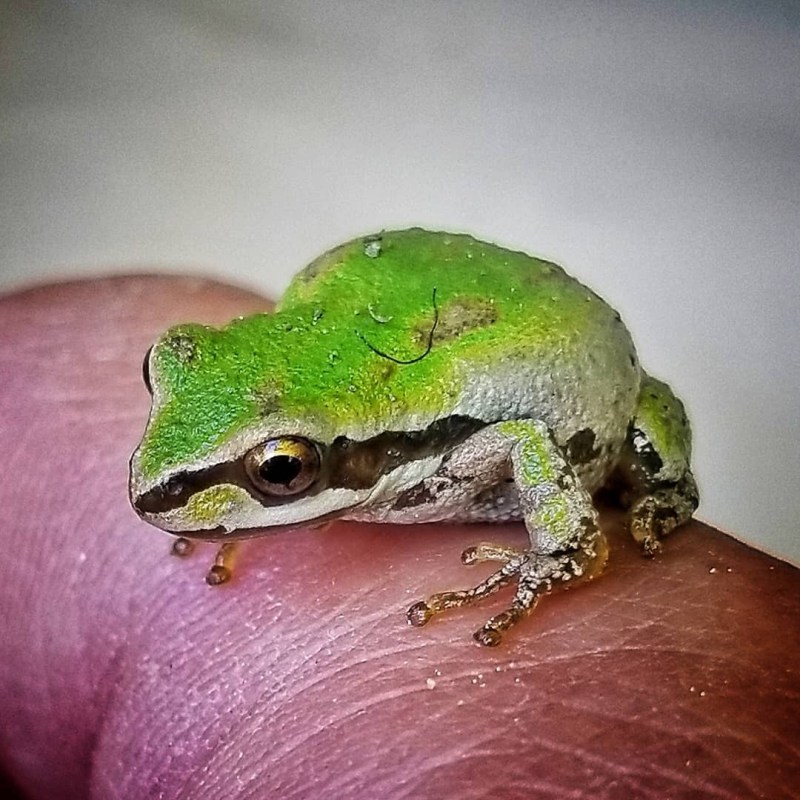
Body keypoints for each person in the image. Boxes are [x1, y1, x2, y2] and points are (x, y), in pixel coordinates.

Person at [1, 275, 797, 799]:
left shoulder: (448, 452)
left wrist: (563, 546)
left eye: (280, 468)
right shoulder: (319, 422)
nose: (152, 482)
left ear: (355, 455)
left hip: (585, 409)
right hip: (397, 346)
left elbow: (520, 439)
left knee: (651, 456)